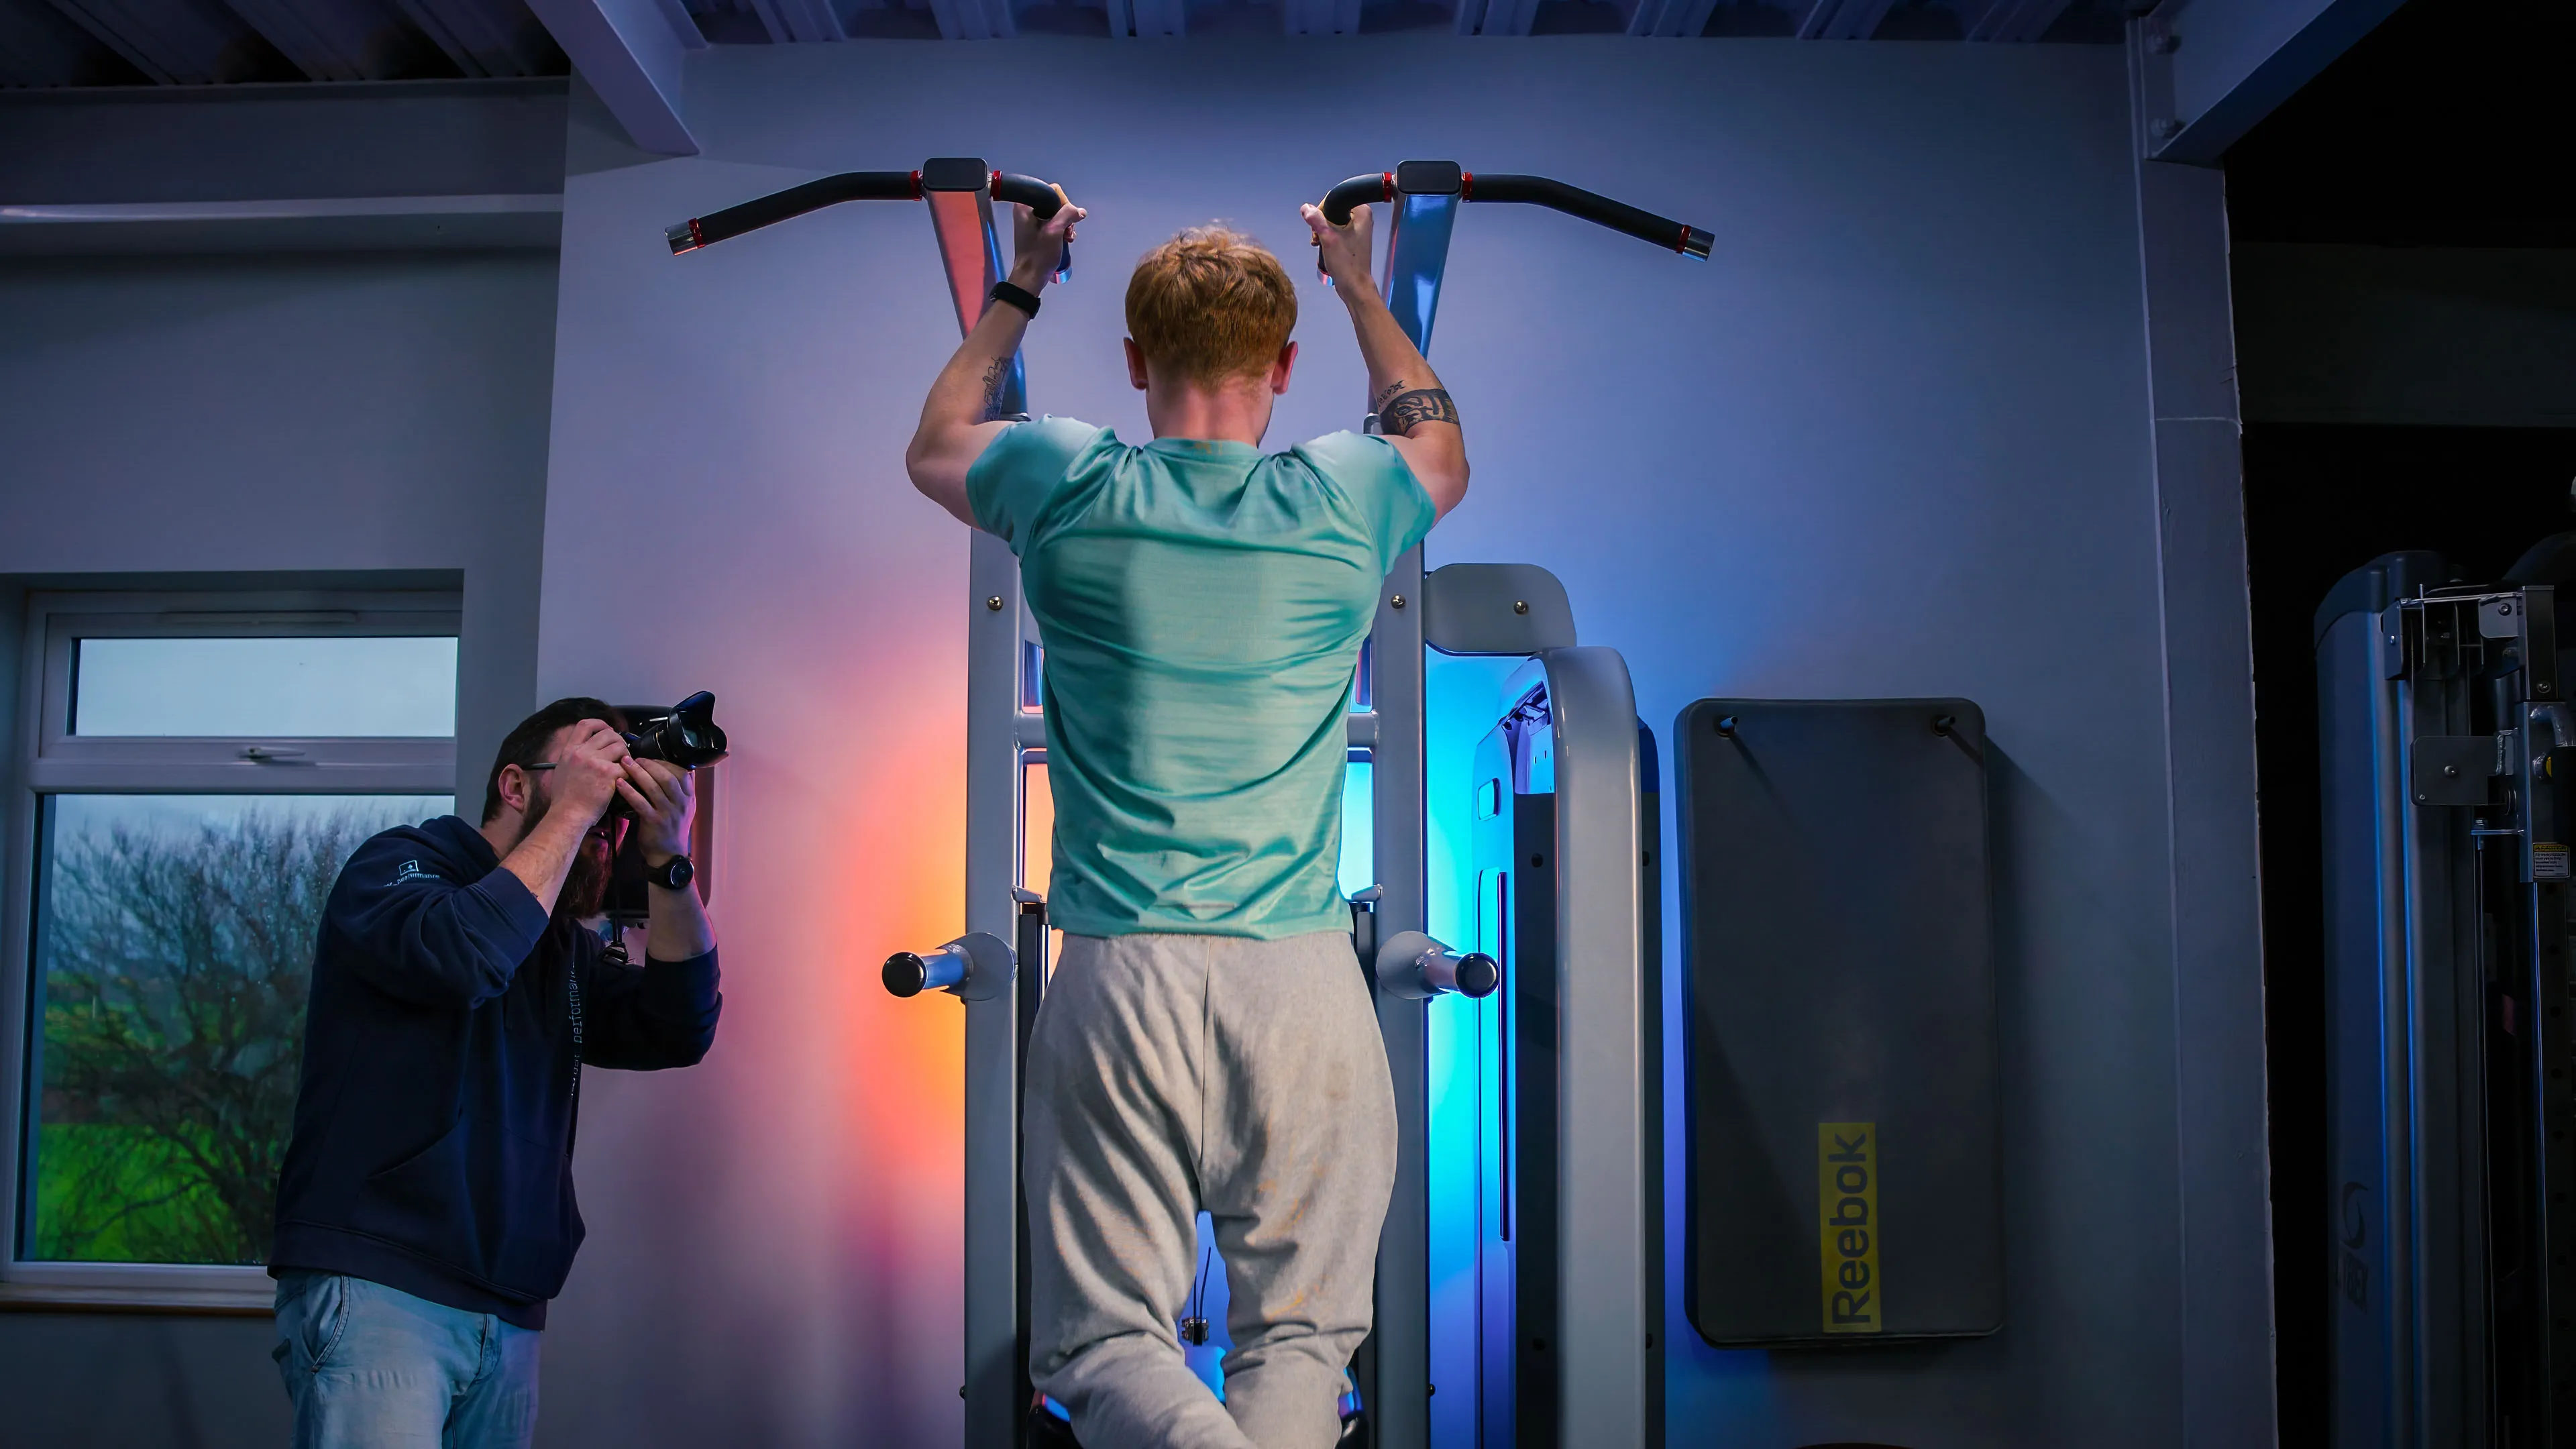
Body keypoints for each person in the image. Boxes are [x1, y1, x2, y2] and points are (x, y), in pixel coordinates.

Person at [906, 191, 1468, 1449]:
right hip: (1299, 983)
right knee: (1306, 1343)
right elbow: (1441, 450)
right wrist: (1354, 282)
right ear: (1282, 367)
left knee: (1105, 1345)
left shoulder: (1060, 475)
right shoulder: (1344, 494)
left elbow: (938, 439)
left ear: (1131, 366)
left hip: (1122, 978)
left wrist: (1025, 281)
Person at [266, 698, 721, 1448]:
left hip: (507, 1301)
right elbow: (463, 956)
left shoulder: (560, 948)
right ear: (516, 787)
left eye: (608, 807)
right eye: (587, 783)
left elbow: (679, 1026)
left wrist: (669, 862)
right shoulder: (399, 868)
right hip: (381, 1282)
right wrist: (572, 813)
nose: (600, 822)